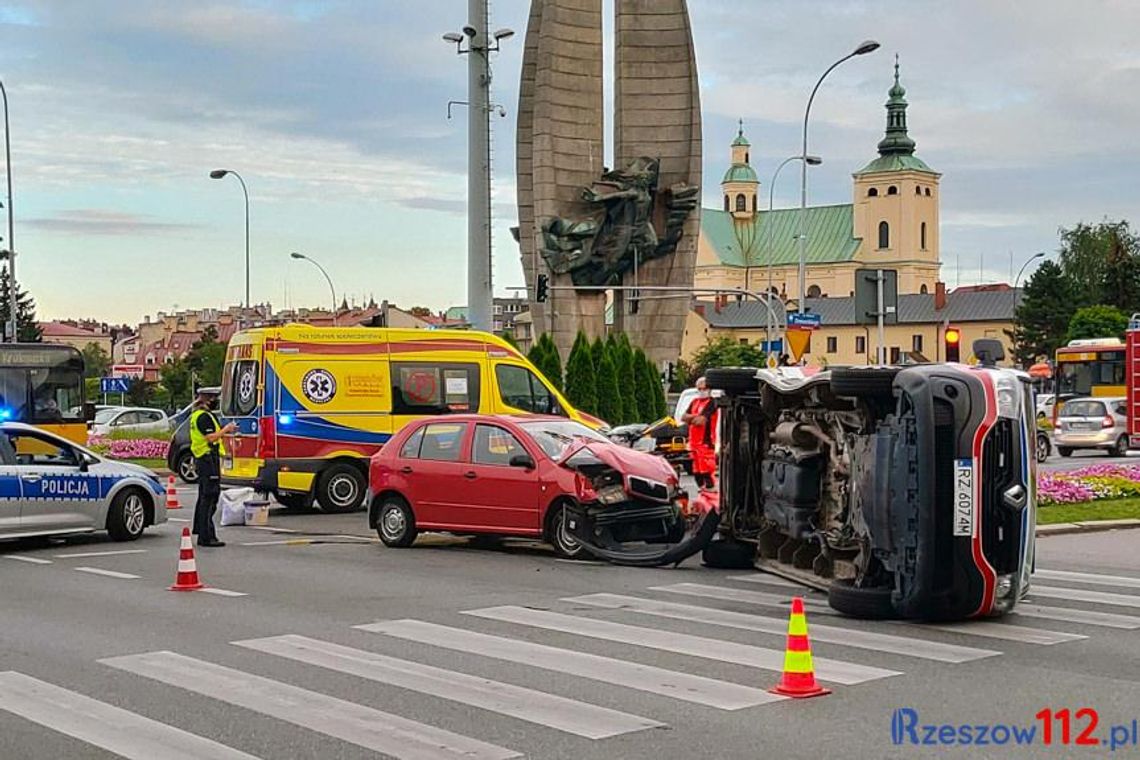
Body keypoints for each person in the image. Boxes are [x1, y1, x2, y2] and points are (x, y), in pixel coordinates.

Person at [189, 387, 236, 548]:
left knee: (204, 497)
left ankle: (203, 532)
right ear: (209, 399)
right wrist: (226, 430)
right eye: (215, 398)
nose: (217, 401)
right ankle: (207, 536)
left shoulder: (198, 415)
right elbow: (210, 437)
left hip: (204, 459)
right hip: (207, 459)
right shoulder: (203, 417)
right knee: (210, 497)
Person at [681, 376, 718, 489]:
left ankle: (710, 494)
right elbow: (683, 417)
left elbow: (700, 421)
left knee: (707, 472)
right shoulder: (694, 402)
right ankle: (702, 494)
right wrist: (695, 417)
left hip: (705, 443)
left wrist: (691, 418)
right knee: (696, 472)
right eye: (699, 389)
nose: (702, 391)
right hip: (694, 443)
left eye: (704, 388)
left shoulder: (712, 403)